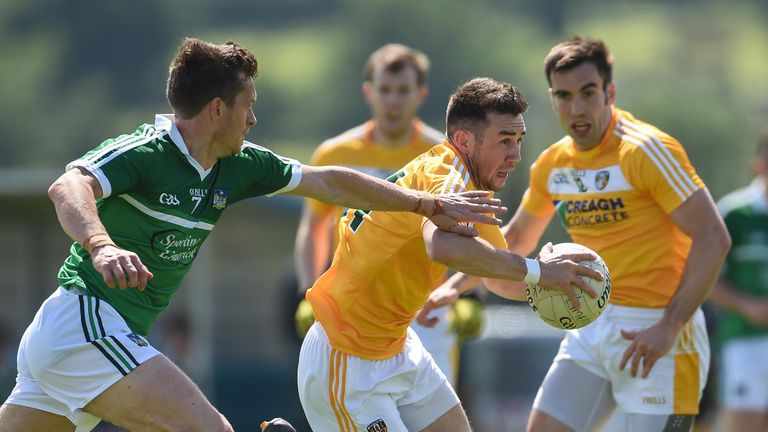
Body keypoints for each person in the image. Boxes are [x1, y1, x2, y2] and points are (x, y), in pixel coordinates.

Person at [0, 38, 507, 432]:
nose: (254, 118)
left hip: (73, 338)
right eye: (248, 105)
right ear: (217, 110)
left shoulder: (239, 163)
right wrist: (102, 244)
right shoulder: (147, 151)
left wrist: (428, 203)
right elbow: (67, 186)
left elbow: (328, 182)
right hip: (87, 322)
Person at [418, 36, 731, 431]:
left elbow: (713, 238)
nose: (576, 108)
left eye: (588, 93)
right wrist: (456, 287)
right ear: (552, 98)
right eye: (563, 96)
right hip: (590, 326)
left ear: (609, 92)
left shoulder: (645, 151)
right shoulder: (553, 163)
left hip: (658, 335)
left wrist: (668, 328)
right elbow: (517, 239)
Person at [297, 77, 605, 432]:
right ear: (464, 141)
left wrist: (563, 286)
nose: (516, 155)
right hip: (346, 358)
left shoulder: (469, 186)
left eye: (518, 141)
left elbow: (497, 278)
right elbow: (442, 245)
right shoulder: (448, 178)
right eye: (504, 140)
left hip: (397, 348)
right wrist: (538, 272)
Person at [293, 43, 483, 385]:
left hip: (426, 310)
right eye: (385, 90)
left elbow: (468, 225)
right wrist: (307, 292)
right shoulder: (335, 153)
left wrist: (469, 294)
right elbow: (314, 227)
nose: (393, 101)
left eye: (402, 91)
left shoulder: (444, 153)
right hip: (353, 309)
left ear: (420, 94)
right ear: (369, 92)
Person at [708, 134, 768, 432]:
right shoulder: (734, 213)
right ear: (758, 165)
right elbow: (706, 280)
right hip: (745, 341)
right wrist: (749, 305)